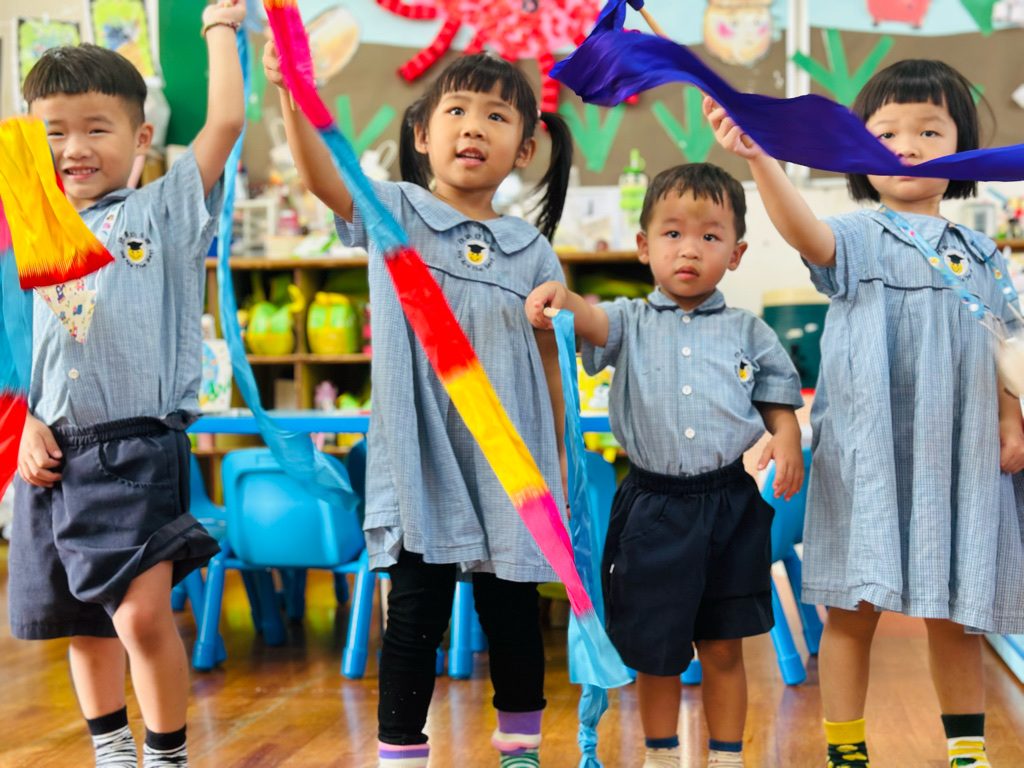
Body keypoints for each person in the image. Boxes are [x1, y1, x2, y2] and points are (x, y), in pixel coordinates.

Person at [707, 59, 1024, 768]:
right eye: (885, 134)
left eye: (929, 132)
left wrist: (1011, 419)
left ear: (963, 148)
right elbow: (802, 232)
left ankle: (967, 750)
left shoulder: (981, 253)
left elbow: (1006, 344)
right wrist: (760, 159)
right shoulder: (852, 238)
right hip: (867, 459)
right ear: (855, 150)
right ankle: (845, 750)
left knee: (957, 613)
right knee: (851, 609)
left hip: (958, 458)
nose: (906, 146)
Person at [264, 43, 574, 768]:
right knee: (413, 618)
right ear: (422, 133)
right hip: (419, 457)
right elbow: (318, 176)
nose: (474, 127)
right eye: (457, 110)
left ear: (525, 148)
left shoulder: (531, 249)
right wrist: (291, 91)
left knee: (514, 615)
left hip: (510, 466)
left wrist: (557, 458)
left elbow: (549, 362)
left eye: (496, 116)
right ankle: (401, 752)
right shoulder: (394, 210)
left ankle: (521, 751)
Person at [10, 3, 247, 765]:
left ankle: (167, 753)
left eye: (96, 128)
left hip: (135, 450)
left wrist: (219, 29)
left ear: (141, 138)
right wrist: (24, 425)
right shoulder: (27, 231)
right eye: (54, 132)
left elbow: (226, 123)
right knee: (83, 622)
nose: (74, 148)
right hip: (52, 459)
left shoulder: (162, 211)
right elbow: (16, 355)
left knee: (141, 617)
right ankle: (112, 750)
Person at [526, 163, 805, 768]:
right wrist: (560, 298)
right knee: (656, 653)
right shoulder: (627, 320)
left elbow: (779, 403)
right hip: (651, 510)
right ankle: (660, 755)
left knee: (724, 647)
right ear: (643, 246)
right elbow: (586, 318)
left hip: (732, 507)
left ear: (736, 253)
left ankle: (726, 758)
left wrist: (786, 438)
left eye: (710, 236)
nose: (690, 249)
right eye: (673, 233)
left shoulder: (750, 331)